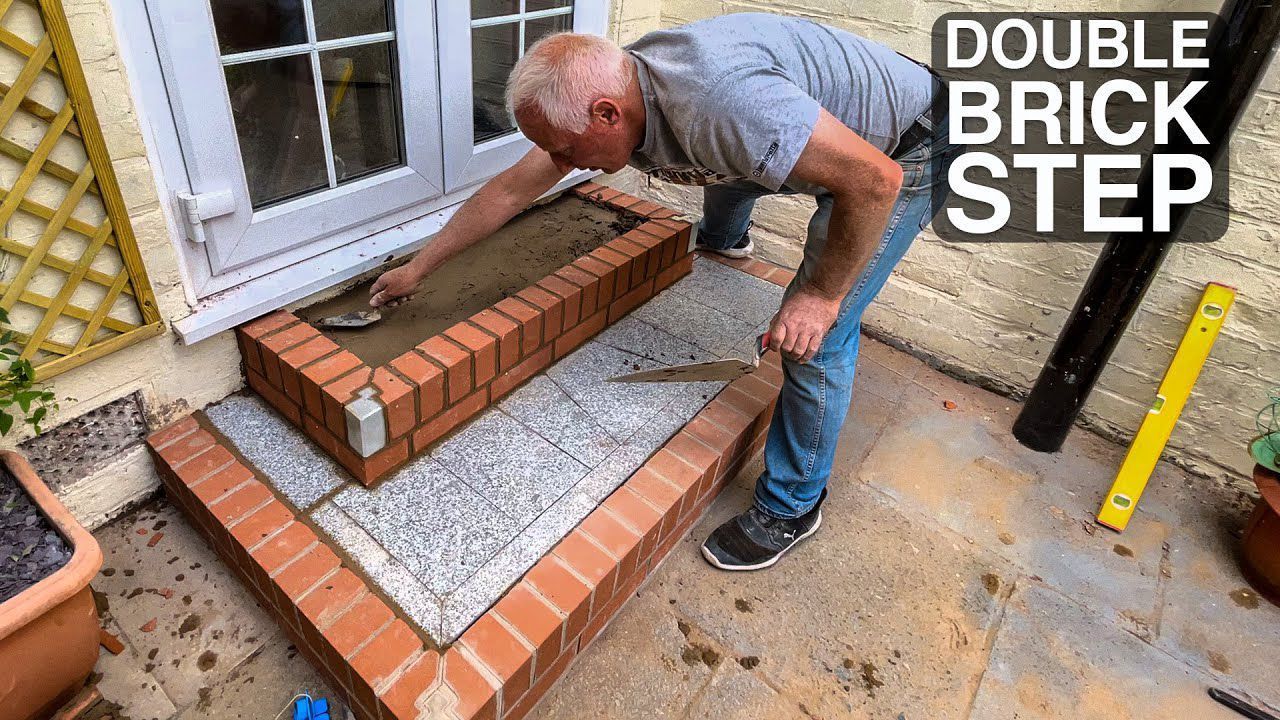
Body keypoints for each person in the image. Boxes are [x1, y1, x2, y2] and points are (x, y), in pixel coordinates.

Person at [370, 12, 960, 571]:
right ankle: (726, 243)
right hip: (801, 130)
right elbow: (506, 192)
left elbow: (874, 180)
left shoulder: (719, 108)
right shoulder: (630, 93)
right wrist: (419, 269)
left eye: (565, 151)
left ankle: (793, 505)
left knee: (819, 339)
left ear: (606, 115)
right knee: (731, 168)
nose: (560, 164)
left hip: (907, 147)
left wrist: (822, 298)